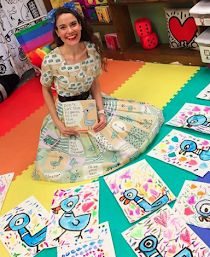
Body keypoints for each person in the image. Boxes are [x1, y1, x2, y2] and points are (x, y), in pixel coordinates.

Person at [33, 6, 163, 183]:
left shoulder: (91, 50)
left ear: (80, 25)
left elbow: (94, 82)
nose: (70, 31)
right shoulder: (51, 60)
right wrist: (57, 122)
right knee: (65, 161)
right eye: (63, 27)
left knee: (126, 134)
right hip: (67, 112)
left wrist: (101, 112)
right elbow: (45, 89)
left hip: (91, 104)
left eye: (73, 24)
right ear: (57, 32)